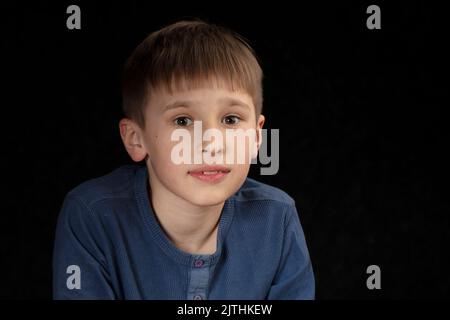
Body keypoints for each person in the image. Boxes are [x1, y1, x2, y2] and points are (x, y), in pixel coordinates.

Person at [53, 20, 315, 299]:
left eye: (230, 119)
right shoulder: (93, 216)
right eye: (182, 120)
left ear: (256, 137)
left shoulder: (277, 218)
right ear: (136, 139)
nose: (211, 142)